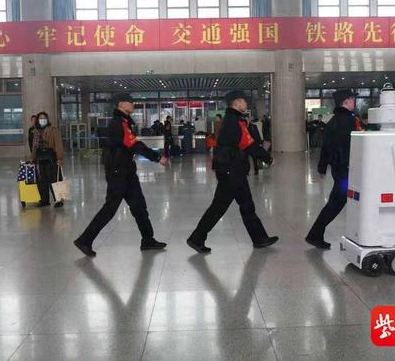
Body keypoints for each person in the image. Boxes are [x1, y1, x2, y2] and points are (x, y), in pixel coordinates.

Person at [74, 93, 169, 257]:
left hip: (127, 172)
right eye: (130, 102)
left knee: (139, 207)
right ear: (121, 104)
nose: (132, 104)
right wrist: (157, 157)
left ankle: (148, 239)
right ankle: (85, 240)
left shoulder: (124, 122)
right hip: (118, 173)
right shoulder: (119, 123)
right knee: (110, 209)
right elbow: (134, 145)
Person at [187, 91, 279, 253]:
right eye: (244, 101)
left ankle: (259, 238)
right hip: (231, 170)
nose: (246, 104)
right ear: (236, 103)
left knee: (245, 205)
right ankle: (197, 238)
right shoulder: (235, 121)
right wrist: (267, 158)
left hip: (232, 168)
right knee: (221, 206)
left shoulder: (233, 119)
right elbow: (249, 145)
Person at [305, 90, 362, 249]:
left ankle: (315, 235)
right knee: (336, 202)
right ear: (346, 101)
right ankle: (314, 235)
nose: (354, 102)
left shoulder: (334, 120)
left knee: (337, 201)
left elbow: (326, 146)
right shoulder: (349, 121)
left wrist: (322, 167)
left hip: (340, 169)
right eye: (352, 99)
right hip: (347, 169)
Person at [30, 112, 64, 207]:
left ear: (47, 119)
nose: (42, 120)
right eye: (40, 118)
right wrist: (32, 158)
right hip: (40, 159)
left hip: (51, 158)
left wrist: (60, 158)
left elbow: (58, 145)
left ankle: (58, 200)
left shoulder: (53, 130)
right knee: (42, 181)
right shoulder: (35, 131)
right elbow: (34, 147)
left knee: (54, 179)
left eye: (44, 118)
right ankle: (44, 200)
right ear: (37, 120)